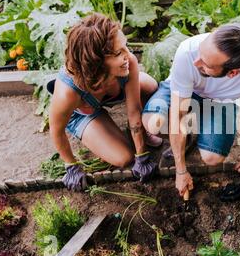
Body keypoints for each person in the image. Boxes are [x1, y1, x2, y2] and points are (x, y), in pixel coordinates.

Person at [142, 22, 240, 198]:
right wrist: (181, 171)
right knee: (154, 124)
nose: (196, 61)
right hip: (184, 91)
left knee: (212, 158)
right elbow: (178, 116)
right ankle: (188, 135)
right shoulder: (187, 51)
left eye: (205, 63)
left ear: (232, 73)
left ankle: (199, 126)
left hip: (221, 101)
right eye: (200, 52)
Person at [48, 13, 162, 191]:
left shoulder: (128, 61)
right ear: (97, 62)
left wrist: (142, 154)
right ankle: (97, 125)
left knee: (151, 86)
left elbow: (133, 111)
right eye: (118, 52)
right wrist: (71, 165)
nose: (128, 55)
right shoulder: (68, 91)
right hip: (83, 112)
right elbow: (56, 130)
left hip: (113, 86)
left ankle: (141, 133)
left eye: (126, 46)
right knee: (124, 158)